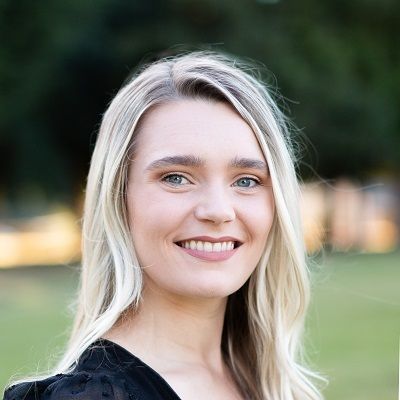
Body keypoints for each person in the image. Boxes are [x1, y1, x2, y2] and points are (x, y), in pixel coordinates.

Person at [4, 51, 324, 400]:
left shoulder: (270, 384)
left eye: (246, 180)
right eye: (176, 178)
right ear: (119, 198)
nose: (218, 211)